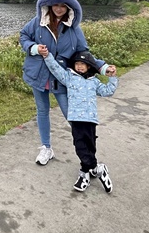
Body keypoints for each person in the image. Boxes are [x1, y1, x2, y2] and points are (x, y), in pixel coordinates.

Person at [19, 0, 116, 166]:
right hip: (38, 75)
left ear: (69, 8)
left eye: (63, 5)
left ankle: (87, 152)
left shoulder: (74, 30)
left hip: (62, 78)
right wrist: (34, 48)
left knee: (72, 115)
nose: (58, 8)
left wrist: (102, 68)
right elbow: (23, 36)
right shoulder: (37, 23)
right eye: (55, 4)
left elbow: (84, 54)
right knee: (42, 111)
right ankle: (46, 148)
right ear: (49, 5)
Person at [39, 47, 117, 192]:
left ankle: (88, 172)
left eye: (83, 64)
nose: (79, 66)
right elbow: (56, 70)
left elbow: (108, 91)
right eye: (77, 64)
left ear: (89, 66)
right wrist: (47, 56)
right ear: (73, 65)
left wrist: (112, 77)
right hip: (76, 119)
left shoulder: (94, 82)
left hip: (91, 120)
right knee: (80, 146)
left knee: (90, 146)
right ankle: (94, 170)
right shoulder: (69, 77)